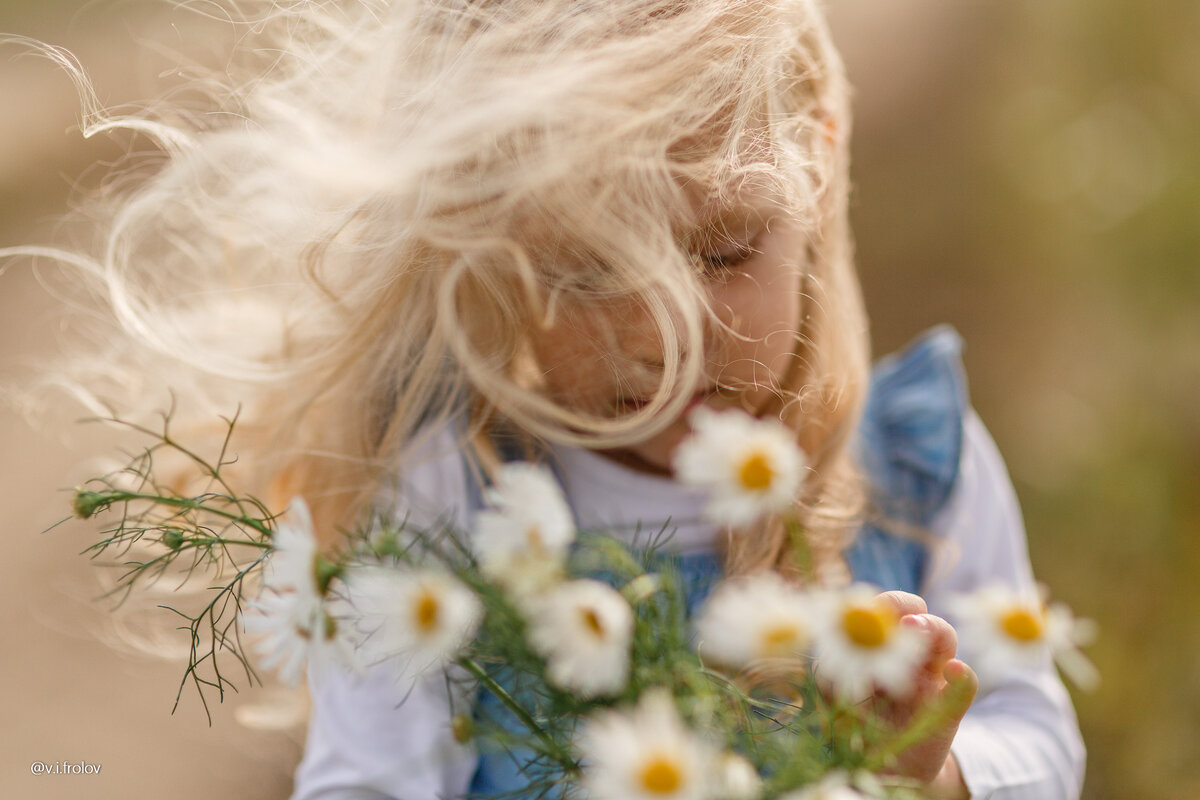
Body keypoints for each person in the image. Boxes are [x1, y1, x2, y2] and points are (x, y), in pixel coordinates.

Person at [7, 0, 1084, 798]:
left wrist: (933, 769)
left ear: (818, 154)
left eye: (721, 251)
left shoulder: (912, 464)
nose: (663, 341)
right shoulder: (455, 495)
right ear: (488, 247)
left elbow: (1041, 733)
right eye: (581, 273)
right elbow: (364, 779)